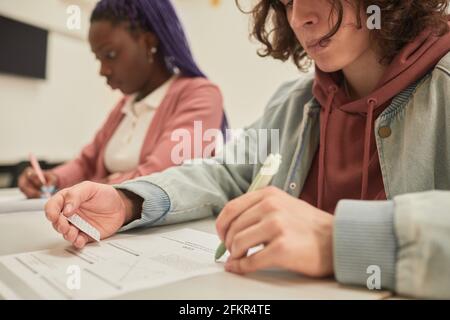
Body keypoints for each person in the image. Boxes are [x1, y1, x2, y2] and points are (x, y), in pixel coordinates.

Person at [45, 0, 450, 299]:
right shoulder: (294, 102)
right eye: (287, 2)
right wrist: (129, 201)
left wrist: (337, 241)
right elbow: (226, 172)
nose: (301, 17)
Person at [18, 0, 227, 198]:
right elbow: (86, 163)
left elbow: (161, 176)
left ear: (147, 42)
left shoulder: (200, 95)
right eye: (98, 58)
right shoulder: (126, 105)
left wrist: (90, 188)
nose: (102, 71)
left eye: (110, 55)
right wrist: (53, 179)